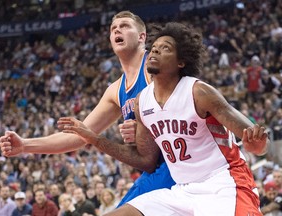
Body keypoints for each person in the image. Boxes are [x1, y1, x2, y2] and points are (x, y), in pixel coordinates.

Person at [57, 22, 269, 215]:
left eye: (165, 48)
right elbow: (145, 161)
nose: (156, 50)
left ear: (181, 62)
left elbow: (259, 143)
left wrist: (256, 145)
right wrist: (93, 138)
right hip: (181, 191)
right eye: (155, 47)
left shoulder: (199, 92)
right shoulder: (143, 101)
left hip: (224, 184)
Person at [0, 10, 175, 207]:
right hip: (154, 169)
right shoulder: (115, 90)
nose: (117, 30)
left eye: (124, 26)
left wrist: (144, 129)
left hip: (178, 162)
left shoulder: (155, 66)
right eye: (113, 28)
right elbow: (77, 136)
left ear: (142, 36)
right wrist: (25, 145)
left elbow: (184, 110)